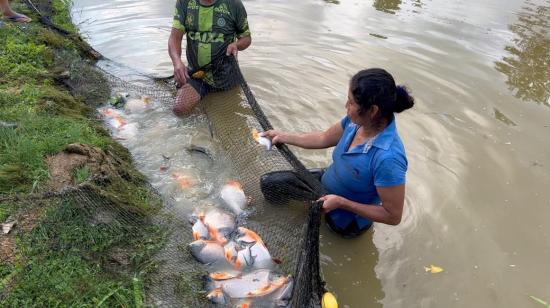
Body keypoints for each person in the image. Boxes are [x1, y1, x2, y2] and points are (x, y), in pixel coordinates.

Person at [261, 68, 414, 238]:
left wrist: (342, 203)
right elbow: (323, 138)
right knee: (270, 184)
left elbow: (393, 216)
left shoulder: (388, 158)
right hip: (325, 184)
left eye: (351, 103)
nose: (346, 106)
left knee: (326, 236)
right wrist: (284, 136)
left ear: (373, 110)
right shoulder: (355, 121)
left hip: (346, 219)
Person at [168, 0, 252, 116]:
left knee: (230, 114)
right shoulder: (184, 3)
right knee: (179, 110)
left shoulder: (234, 4)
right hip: (197, 75)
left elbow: (246, 38)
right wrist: (177, 62)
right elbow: (174, 38)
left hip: (226, 77)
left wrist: (236, 45)